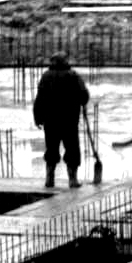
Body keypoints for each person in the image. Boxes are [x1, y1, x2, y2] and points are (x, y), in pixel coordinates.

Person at [32, 52, 91, 189]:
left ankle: (49, 179)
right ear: (65, 62)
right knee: (72, 149)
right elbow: (84, 95)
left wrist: (38, 117)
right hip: (69, 120)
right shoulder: (73, 75)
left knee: (51, 148)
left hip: (50, 121)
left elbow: (39, 99)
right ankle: (72, 179)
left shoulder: (46, 76)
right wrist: (80, 101)